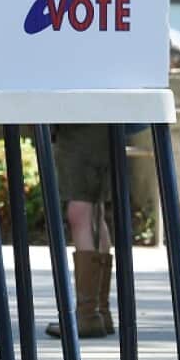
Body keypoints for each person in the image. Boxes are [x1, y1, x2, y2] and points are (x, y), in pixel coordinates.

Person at [44, 125, 115, 339]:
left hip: (80, 121)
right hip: (104, 119)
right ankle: (99, 311)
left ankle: (88, 315)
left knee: (81, 209)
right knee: (95, 209)